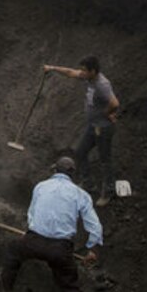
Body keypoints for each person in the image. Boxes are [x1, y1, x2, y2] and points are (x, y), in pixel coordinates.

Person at [1, 157, 103, 292]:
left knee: (13, 251)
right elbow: (95, 226)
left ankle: (6, 289)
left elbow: (31, 214)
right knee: (69, 284)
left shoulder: (40, 186)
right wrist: (92, 249)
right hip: (60, 250)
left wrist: (29, 234)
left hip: (33, 242)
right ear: (72, 174)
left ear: (55, 170)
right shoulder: (81, 195)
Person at [43, 56, 120, 206]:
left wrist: (106, 113)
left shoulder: (102, 85)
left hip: (103, 128)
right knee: (80, 152)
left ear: (93, 71)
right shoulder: (89, 78)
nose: (81, 72)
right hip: (93, 126)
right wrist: (52, 68)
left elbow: (115, 103)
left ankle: (109, 192)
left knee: (105, 160)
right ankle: (88, 184)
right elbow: (71, 72)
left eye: (84, 70)